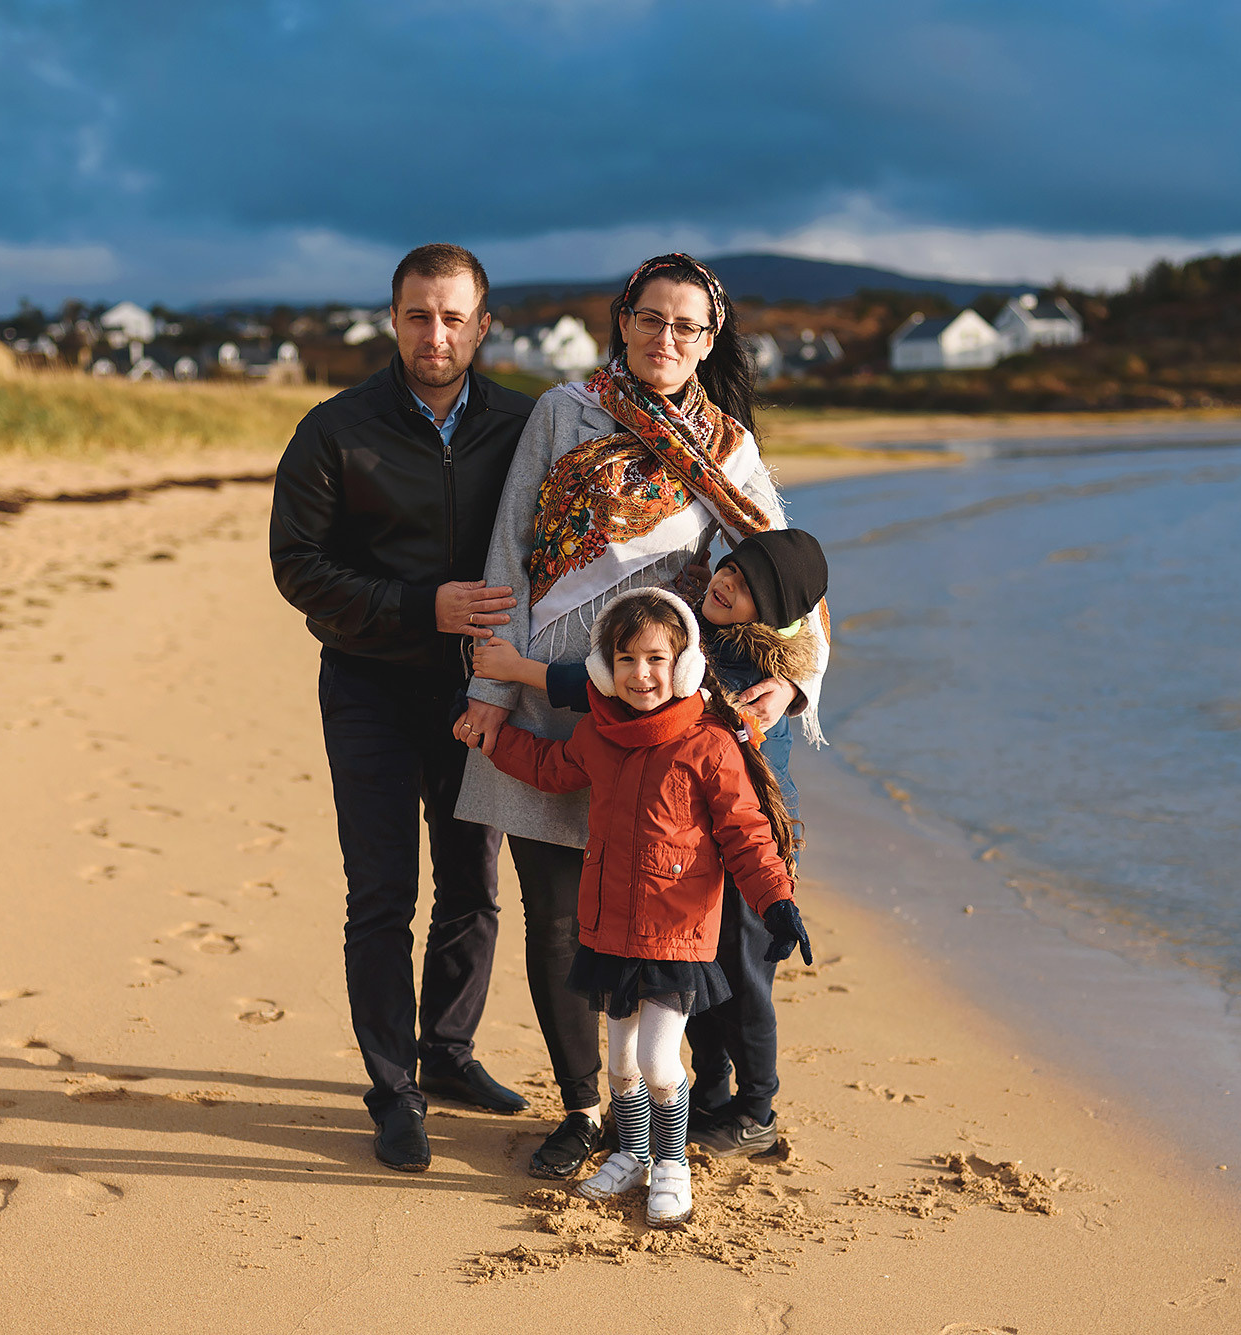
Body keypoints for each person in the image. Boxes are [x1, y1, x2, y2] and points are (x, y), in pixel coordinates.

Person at [451, 253, 828, 1179]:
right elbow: (509, 550)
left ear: (709, 340)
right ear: (622, 321)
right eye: (651, 318)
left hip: (667, 726)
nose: (666, 338)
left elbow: (790, 576)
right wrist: (490, 692)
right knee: (556, 917)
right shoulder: (561, 413)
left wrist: (797, 686)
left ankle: (671, 1105)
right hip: (550, 701)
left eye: (686, 326)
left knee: (668, 920)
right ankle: (585, 1107)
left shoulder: (728, 448)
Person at [270, 243, 535, 1173]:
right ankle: (395, 1091)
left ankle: (450, 1054)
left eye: (454, 317)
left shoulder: (523, 425)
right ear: (393, 319)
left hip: (479, 696)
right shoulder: (334, 429)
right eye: (419, 315)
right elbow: (299, 568)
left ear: (483, 325)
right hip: (368, 687)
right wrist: (425, 606)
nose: (436, 334)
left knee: (473, 884)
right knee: (382, 895)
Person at [473, 528, 829, 1158]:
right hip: (695, 848)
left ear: (773, 614)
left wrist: (517, 672)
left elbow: (592, 686)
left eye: (747, 587)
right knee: (701, 977)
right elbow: (608, 687)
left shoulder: (742, 670)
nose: (727, 582)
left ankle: (756, 1111)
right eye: (730, 568)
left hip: (749, 841)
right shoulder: (698, 634)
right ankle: (710, 1097)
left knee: (744, 982)